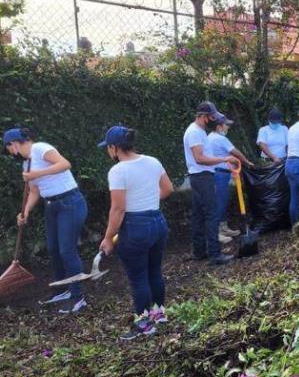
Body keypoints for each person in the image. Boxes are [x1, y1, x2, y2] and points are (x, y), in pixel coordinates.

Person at [98, 126, 174, 340]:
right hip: (158, 222)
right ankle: (159, 315)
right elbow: (168, 189)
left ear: (114, 148)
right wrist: (147, 200)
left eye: (108, 148)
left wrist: (107, 238)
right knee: (155, 272)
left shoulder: (118, 171)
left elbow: (118, 209)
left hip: (135, 227)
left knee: (139, 278)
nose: (108, 152)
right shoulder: (153, 161)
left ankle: (144, 325)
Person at [4, 128, 89, 313]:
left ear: (14, 144)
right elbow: (34, 191)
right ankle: (62, 289)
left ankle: (78, 297)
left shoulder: (40, 148)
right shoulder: (26, 164)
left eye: (8, 147)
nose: (9, 152)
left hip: (70, 203)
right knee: (54, 249)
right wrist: (24, 212)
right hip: (52, 206)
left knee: (67, 250)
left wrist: (37, 175)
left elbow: (65, 164)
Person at [183, 101, 237, 265]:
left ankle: (199, 252)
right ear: (204, 116)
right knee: (212, 214)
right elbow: (199, 158)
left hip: (199, 177)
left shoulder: (199, 131)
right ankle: (215, 255)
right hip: (202, 177)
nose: (214, 120)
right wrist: (223, 159)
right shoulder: (194, 132)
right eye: (212, 117)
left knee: (198, 215)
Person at [208, 112, 255, 243]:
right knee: (220, 202)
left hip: (218, 172)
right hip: (219, 174)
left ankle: (223, 227)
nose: (228, 127)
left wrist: (233, 162)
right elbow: (236, 152)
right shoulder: (220, 139)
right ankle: (216, 232)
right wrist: (247, 162)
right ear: (219, 126)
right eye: (226, 125)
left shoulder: (210, 137)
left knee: (221, 201)